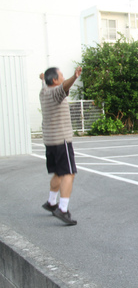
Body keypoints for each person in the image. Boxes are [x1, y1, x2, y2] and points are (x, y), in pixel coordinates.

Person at [39, 66, 82, 225]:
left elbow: (44, 79)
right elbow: (64, 87)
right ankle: (63, 209)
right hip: (61, 141)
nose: (63, 78)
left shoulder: (43, 92)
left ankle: (51, 202)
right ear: (55, 80)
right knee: (69, 174)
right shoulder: (55, 93)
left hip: (49, 141)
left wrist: (43, 77)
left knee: (58, 172)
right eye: (61, 75)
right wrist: (74, 77)